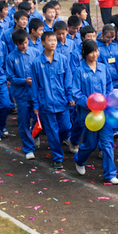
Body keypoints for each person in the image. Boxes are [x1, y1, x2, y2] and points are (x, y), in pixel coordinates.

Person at [73, 40, 118, 184]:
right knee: (90, 144)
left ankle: (110, 174)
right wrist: (89, 103)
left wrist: (107, 100)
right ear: (85, 54)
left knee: (107, 143)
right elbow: (76, 92)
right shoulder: (80, 71)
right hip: (88, 115)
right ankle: (79, 160)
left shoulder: (103, 68)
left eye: (96, 51)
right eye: (91, 52)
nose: (95, 54)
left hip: (103, 113)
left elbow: (108, 86)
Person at [31, 31, 73, 169]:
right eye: (50, 40)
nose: (54, 42)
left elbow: (68, 80)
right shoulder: (37, 63)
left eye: (55, 40)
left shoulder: (62, 59)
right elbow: (35, 86)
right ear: (43, 43)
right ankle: (57, 157)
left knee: (66, 127)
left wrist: (70, 97)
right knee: (52, 131)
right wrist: (36, 104)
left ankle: (57, 145)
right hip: (46, 103)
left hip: (62, 102)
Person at [6, 29, 41, 160]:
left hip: (35, 93)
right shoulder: (11, 58)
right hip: (21, 95)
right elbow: (10, 77)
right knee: (24, 121)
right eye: (21, 44)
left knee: (38, 117)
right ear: (16, 43)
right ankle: (28, 148)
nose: (24, 46)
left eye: (26, 42)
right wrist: (23, 81)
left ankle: (35, 135)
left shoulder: (35, 52)